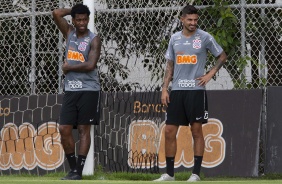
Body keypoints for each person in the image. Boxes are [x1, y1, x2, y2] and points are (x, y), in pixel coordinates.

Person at [154, 4, 227, 182]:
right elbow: (169, 65)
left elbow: (222, 56)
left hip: (196, 91)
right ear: (182, 19)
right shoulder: (174, 39)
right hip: (177, 91)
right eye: (190, 20)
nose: (193, 23)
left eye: (195, 20)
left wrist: (209, 74)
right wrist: (165, 88)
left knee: (196, 131)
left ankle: (195, 174)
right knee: (170, 131)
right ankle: (169, 174)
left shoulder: (205, 37)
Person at [53, 4, 101, 180]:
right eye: (78, 19)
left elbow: (91, 65)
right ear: (73, 20)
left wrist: (69, 67)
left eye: (85, 19)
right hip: (70, 90)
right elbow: (56, 13)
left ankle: (78, 171)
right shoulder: (69, 33)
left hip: (89, 90)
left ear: (88, 20)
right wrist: (73, 9)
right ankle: (73, 170)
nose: (82, 23)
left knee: (83, 130)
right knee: (64, 128)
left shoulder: (94, 39)